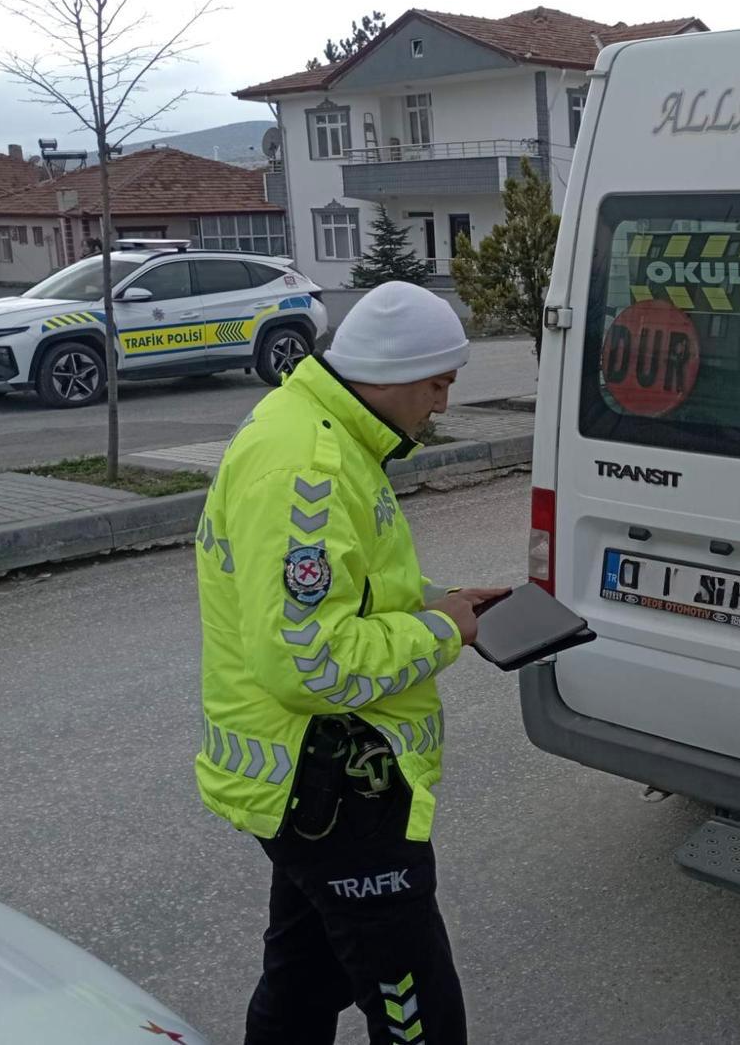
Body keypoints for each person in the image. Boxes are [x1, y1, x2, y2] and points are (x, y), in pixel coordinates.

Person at [195, 280, 504, 1044]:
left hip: (311, 782)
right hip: (335, 784)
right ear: (394, 377)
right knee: (416, 1009)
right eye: (438, 384)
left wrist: (443, 599)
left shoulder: (317, 426)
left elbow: (348, 593)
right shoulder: (312, 466)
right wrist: (443, 633)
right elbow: (308, 660)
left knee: (306, 981)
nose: (440, 404)